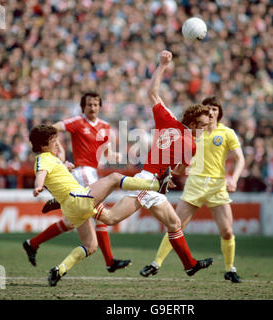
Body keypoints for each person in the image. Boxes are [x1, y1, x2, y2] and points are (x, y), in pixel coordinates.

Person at [83, 50, 214, 277]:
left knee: (174, 224)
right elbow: (181, 170)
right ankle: (75, 202)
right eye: (202, 125)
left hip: (153, 181)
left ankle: (190, 265)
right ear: (192, 123)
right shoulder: (191, 145)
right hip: (148, 182)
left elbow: (152, 92)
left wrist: (162, 65)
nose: (205, 129)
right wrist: (175, 173)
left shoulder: (168, 120)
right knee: (110, 218)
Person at [27, 124, 170, 286]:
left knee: (90, 246)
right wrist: (38, 186)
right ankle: (156, 185)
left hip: (72, 208)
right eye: (53, 140)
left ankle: (59, 270)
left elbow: (54, 168)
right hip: (78, 199)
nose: (57, 142)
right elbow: (41, 172)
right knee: (114, 178)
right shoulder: (43, 159)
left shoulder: (51, 159)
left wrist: (65, 166)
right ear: (43, 145)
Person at [139, 96, 246, 283]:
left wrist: (234, 179)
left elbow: (240, 158)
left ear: (219, 112)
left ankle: (230, 268)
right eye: (208, 108)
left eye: (214, 108)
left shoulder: (227, 133)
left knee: (227, 231)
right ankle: (156, 263)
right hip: (194, 184)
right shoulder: (193, 133)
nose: (211, 112)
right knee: (176, 225)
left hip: (217, 186)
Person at [23, 92, 131, 273]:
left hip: (91, 172)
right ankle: (109, 261)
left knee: (71, 222)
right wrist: (59, 148)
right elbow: (52, 130)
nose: (93, 107)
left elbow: (105, 153)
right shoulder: (77, 122)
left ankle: (32, 243)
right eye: (89, 104)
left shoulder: (104, 126)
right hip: (82, 171)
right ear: (83, 107)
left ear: (100, 106)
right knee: (99, 212)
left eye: (96, 104)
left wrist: (114, 156)